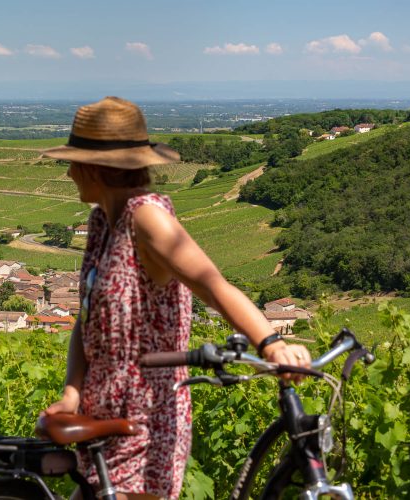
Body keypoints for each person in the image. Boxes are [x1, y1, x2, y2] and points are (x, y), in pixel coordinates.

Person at [40, 97, 312, 500]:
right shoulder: (102, 222)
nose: (68, 172)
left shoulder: (147, 218)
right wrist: (72, 391)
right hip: (102, 408)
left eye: (74, 161)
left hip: (147, 414)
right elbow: (86, 318)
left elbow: (212, 284)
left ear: (96, 168)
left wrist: (271, 343)